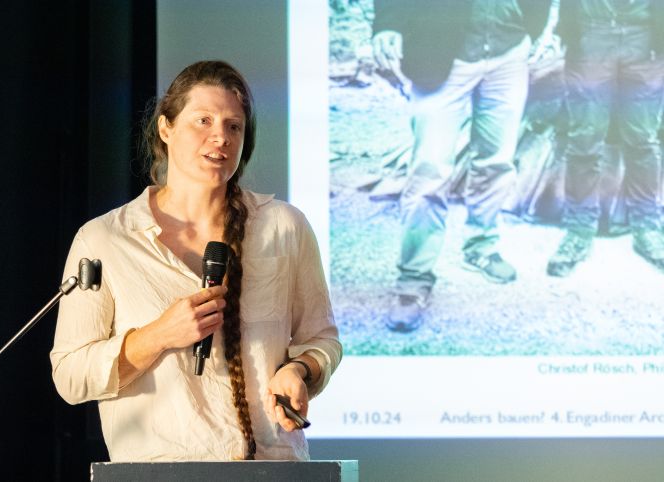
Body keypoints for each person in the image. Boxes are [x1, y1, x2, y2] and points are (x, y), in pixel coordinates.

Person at [50, 61, 341, 461]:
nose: (220, 136)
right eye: (203, 120)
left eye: (234, 126)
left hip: (272, 468)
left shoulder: (284, 227)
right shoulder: (105, 239)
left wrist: (299, 369)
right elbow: (70, 375)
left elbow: (323, 340)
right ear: (165, 128)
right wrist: (158, 335)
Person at [372, 0, 551, 332]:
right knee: (429, 172)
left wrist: (533, 28)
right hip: (441, 53)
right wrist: (388, 23)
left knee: (496, 162)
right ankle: (413, 279)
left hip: (509, 52)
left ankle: (481, 245)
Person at [546, 0, 664, 276]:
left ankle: (647, 227)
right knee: (584, 142)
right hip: (591, 33)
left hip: (645, 37)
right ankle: (579, 229)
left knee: (643, 142)